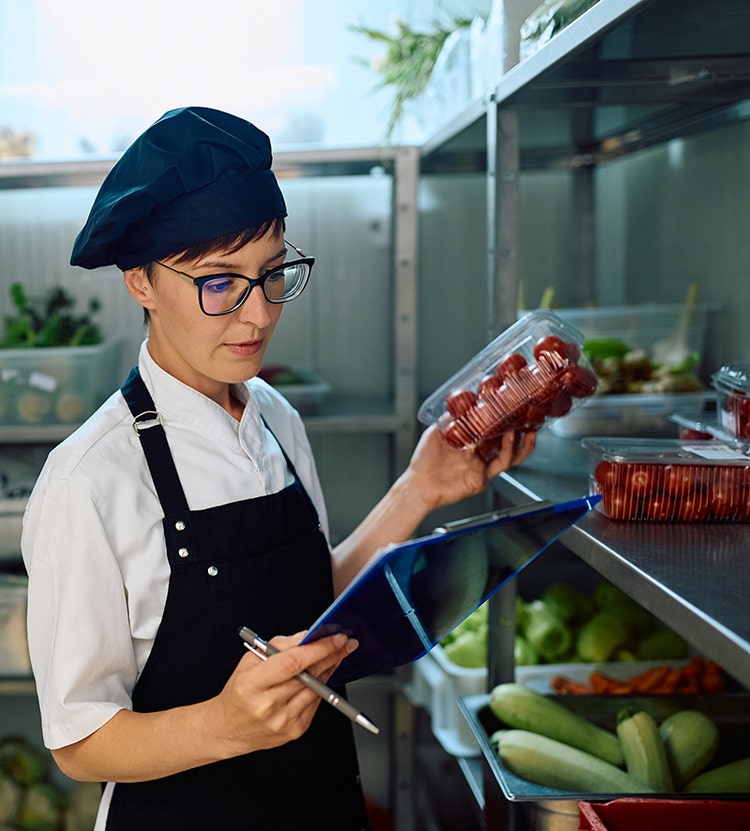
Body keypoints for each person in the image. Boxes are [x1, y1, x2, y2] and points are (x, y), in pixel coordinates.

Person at [21, 106, 536, 831]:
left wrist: (421, 488)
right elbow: (78, 738)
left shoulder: (274, 416)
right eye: (219, 282)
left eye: (273, 274)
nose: (257, 315)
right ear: (140, 281)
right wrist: (226, 724)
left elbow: (307, 601)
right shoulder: (90, 479)